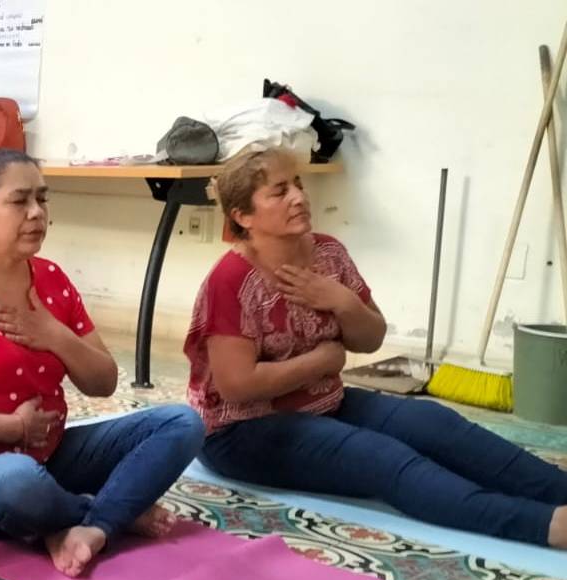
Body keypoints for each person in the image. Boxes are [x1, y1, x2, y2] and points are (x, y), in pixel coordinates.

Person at [186, 147, 567, 548]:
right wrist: (322, 361)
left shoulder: (329, 253)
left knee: (437, 425)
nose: (298, 197)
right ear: (243, 217)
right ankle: (546, 526)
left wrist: (342, 301)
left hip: (323, 403)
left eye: (298, 184)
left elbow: (370, 338)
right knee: (382, 457)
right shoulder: (231, 279)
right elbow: (237, 385)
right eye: (279, 192)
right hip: (241, 432)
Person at [0, 150, 204, 577]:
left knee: (182, 424)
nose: (37, 212)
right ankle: (105, 512)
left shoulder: (52, 279)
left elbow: (103, 382)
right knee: (16, 481)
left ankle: (90, 527)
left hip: (46, 455)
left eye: (42, 198)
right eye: (19, 201)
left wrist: (55, 335)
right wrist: (11, 429)